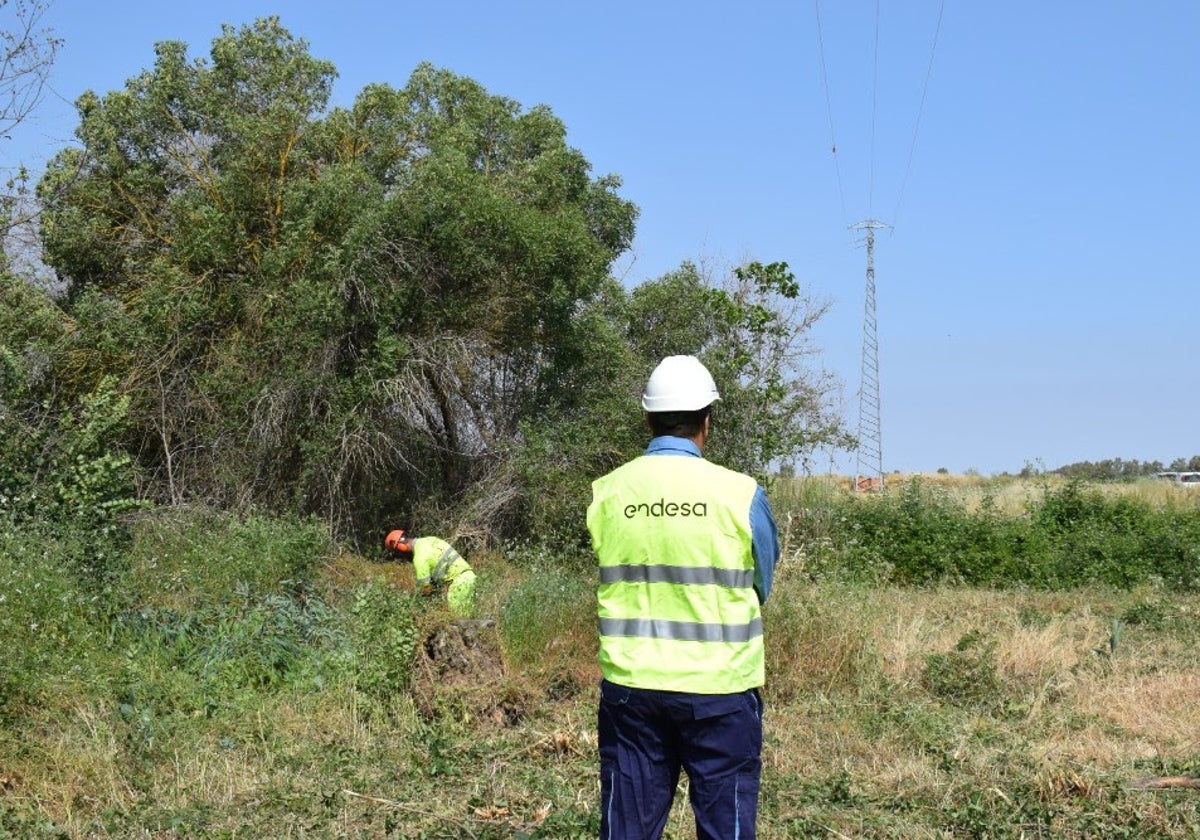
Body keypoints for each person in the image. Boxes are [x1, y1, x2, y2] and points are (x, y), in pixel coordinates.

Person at [586, 354, 780, 840]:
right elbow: (761, 586)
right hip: (720, 692)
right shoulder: (740, 493)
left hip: (631, 690)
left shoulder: (609, 491)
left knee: (627, 830)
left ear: (648, 418)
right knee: (725, 829)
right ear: (706, 421)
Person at [383, 529, 477, 618]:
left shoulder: (419, 559)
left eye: (398, 553)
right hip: (469, 576)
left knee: (457, 622)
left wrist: (416, 602)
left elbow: (426, 589)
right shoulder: (430, 539)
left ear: (400, 547)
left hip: (459, 584)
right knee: (469, 621)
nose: (400, 556)